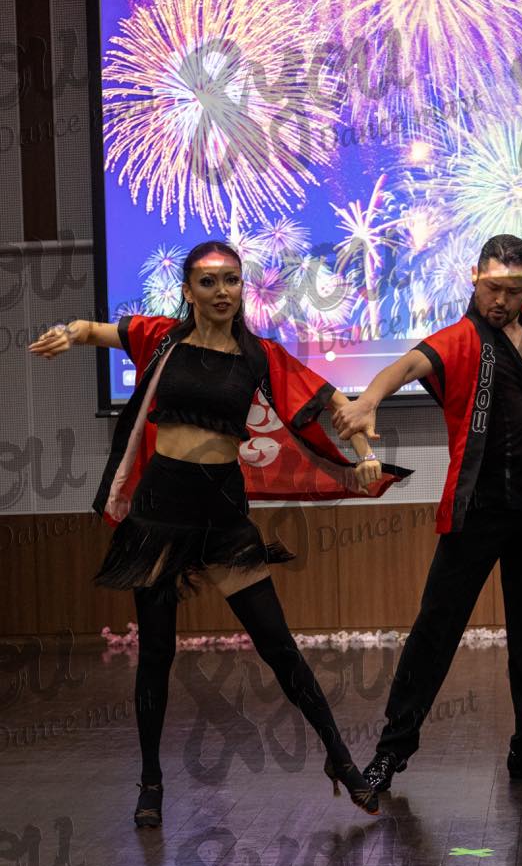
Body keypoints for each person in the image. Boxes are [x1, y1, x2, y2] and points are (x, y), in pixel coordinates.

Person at [29, 240, 411, 825]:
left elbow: (336, 404)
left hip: (223, 515)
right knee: (156, 652)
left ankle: (340, 759)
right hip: (160, 511)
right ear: (188, 291)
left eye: (231, 280)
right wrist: (68, 331)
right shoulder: (161, 338)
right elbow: (93, 331)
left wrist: (364, 454)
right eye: (208, 282)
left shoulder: (260, 355)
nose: (222, 291)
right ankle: (151, 782)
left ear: (241, 288)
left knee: (278, 646)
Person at [332, 233, 522, 791]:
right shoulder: (457, 339)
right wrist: (368, 401)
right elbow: (405, 366)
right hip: (479, 508)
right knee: (435, 632)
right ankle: (390, 753)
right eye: (493, 287)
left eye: (514, 290)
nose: (502, 300)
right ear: (475, 278)